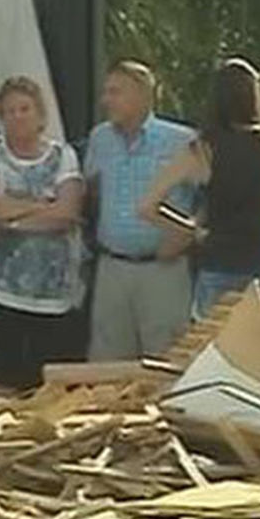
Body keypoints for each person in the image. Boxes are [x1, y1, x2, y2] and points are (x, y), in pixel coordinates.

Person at [139, 57, 260, 318]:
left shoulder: (203, 148)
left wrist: (191, 230)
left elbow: (146, 207)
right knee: (259, 346)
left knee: (214, 346)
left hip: (218, 260)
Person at [0, 76, 84, 390]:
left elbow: (67, 213)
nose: (18, 117)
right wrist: (39, 205)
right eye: (9, 111)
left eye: (24, 109)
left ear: (41, 114)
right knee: (3, 381)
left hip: (53, 294)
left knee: (46, 384)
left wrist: (13, 217)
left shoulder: (64, 156)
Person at [84, 61, 195, 360]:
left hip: (163, 270)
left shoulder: (182, 141)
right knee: (107, 365)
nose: (106, 100)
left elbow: (213, 200)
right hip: (112, 268)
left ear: (143, 95)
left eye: (115, 92)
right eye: (106, 92)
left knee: (165, 361)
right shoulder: (100, 139)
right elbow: (91, 190)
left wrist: (187, 234)